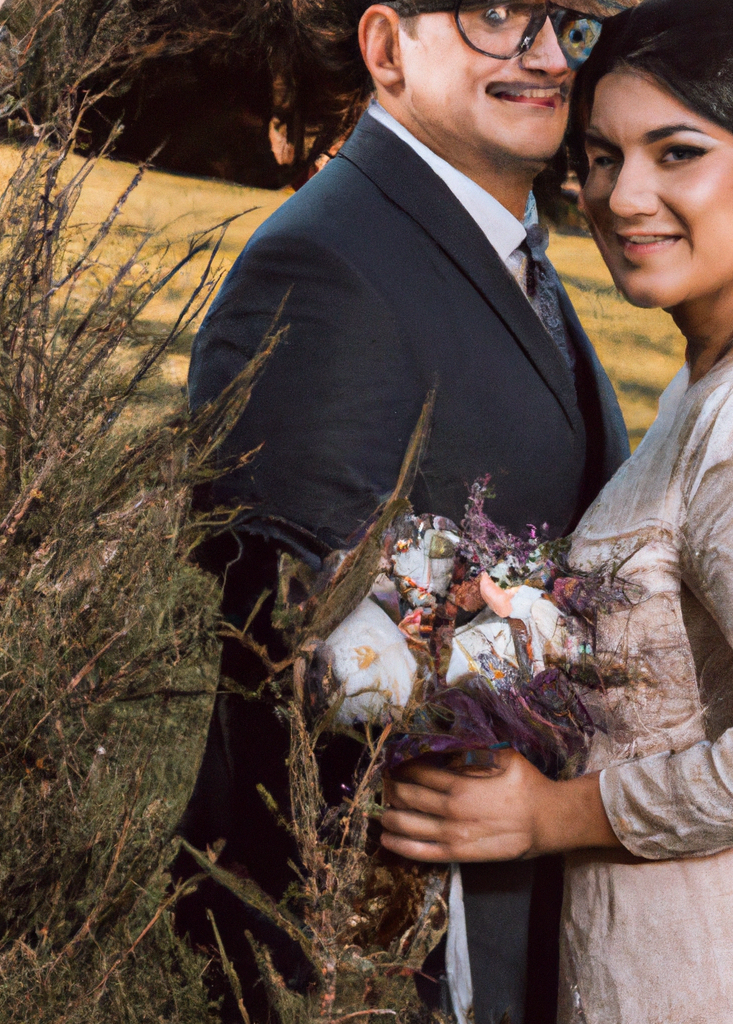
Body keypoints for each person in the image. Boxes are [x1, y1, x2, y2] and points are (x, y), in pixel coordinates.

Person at [378, 0, 733, 1021]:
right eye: (602, 155)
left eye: (676, 152)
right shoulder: (730, 362)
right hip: (676, 954)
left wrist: (547, 815)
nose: (622, 196)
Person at [172, 2, 630, 1021]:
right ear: (386, 49)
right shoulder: (328, 263)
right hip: (375, 947)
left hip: (508, 906)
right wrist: (530, 634)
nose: (548, 53)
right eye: (497, 15)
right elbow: (292, 643)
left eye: (564, 19)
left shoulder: (494, 247)